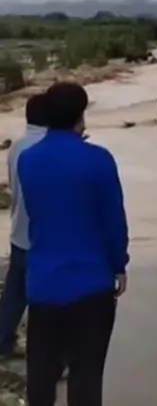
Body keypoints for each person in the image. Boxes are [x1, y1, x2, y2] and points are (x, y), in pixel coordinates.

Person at [18, 82, 129, 406]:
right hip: (90, 285)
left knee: (41, 375)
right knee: (86, 375)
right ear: (81, 114)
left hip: (42, 285)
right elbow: (113, 221)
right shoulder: (98, 160)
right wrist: (119, 265)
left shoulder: (28, 160)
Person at [0, 94, 48, 360]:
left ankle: (4, 342)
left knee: (14, 294)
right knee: (45, 299)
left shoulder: (17, 146)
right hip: (41, 237)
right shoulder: (45, 147)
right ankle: (47, 356)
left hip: (19, 231)